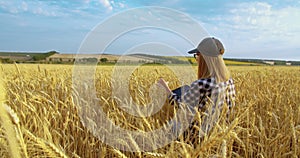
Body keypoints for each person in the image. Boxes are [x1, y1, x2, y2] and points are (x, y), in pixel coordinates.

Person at [157, 37, 236, 143]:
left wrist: (165, 88)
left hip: (198, 134)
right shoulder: (229, 81)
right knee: (186, 89)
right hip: (221, 131)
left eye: (197, 55)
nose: (196, 58)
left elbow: (181, 106)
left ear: (204, 57)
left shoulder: (201, 84)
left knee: (166, 128)